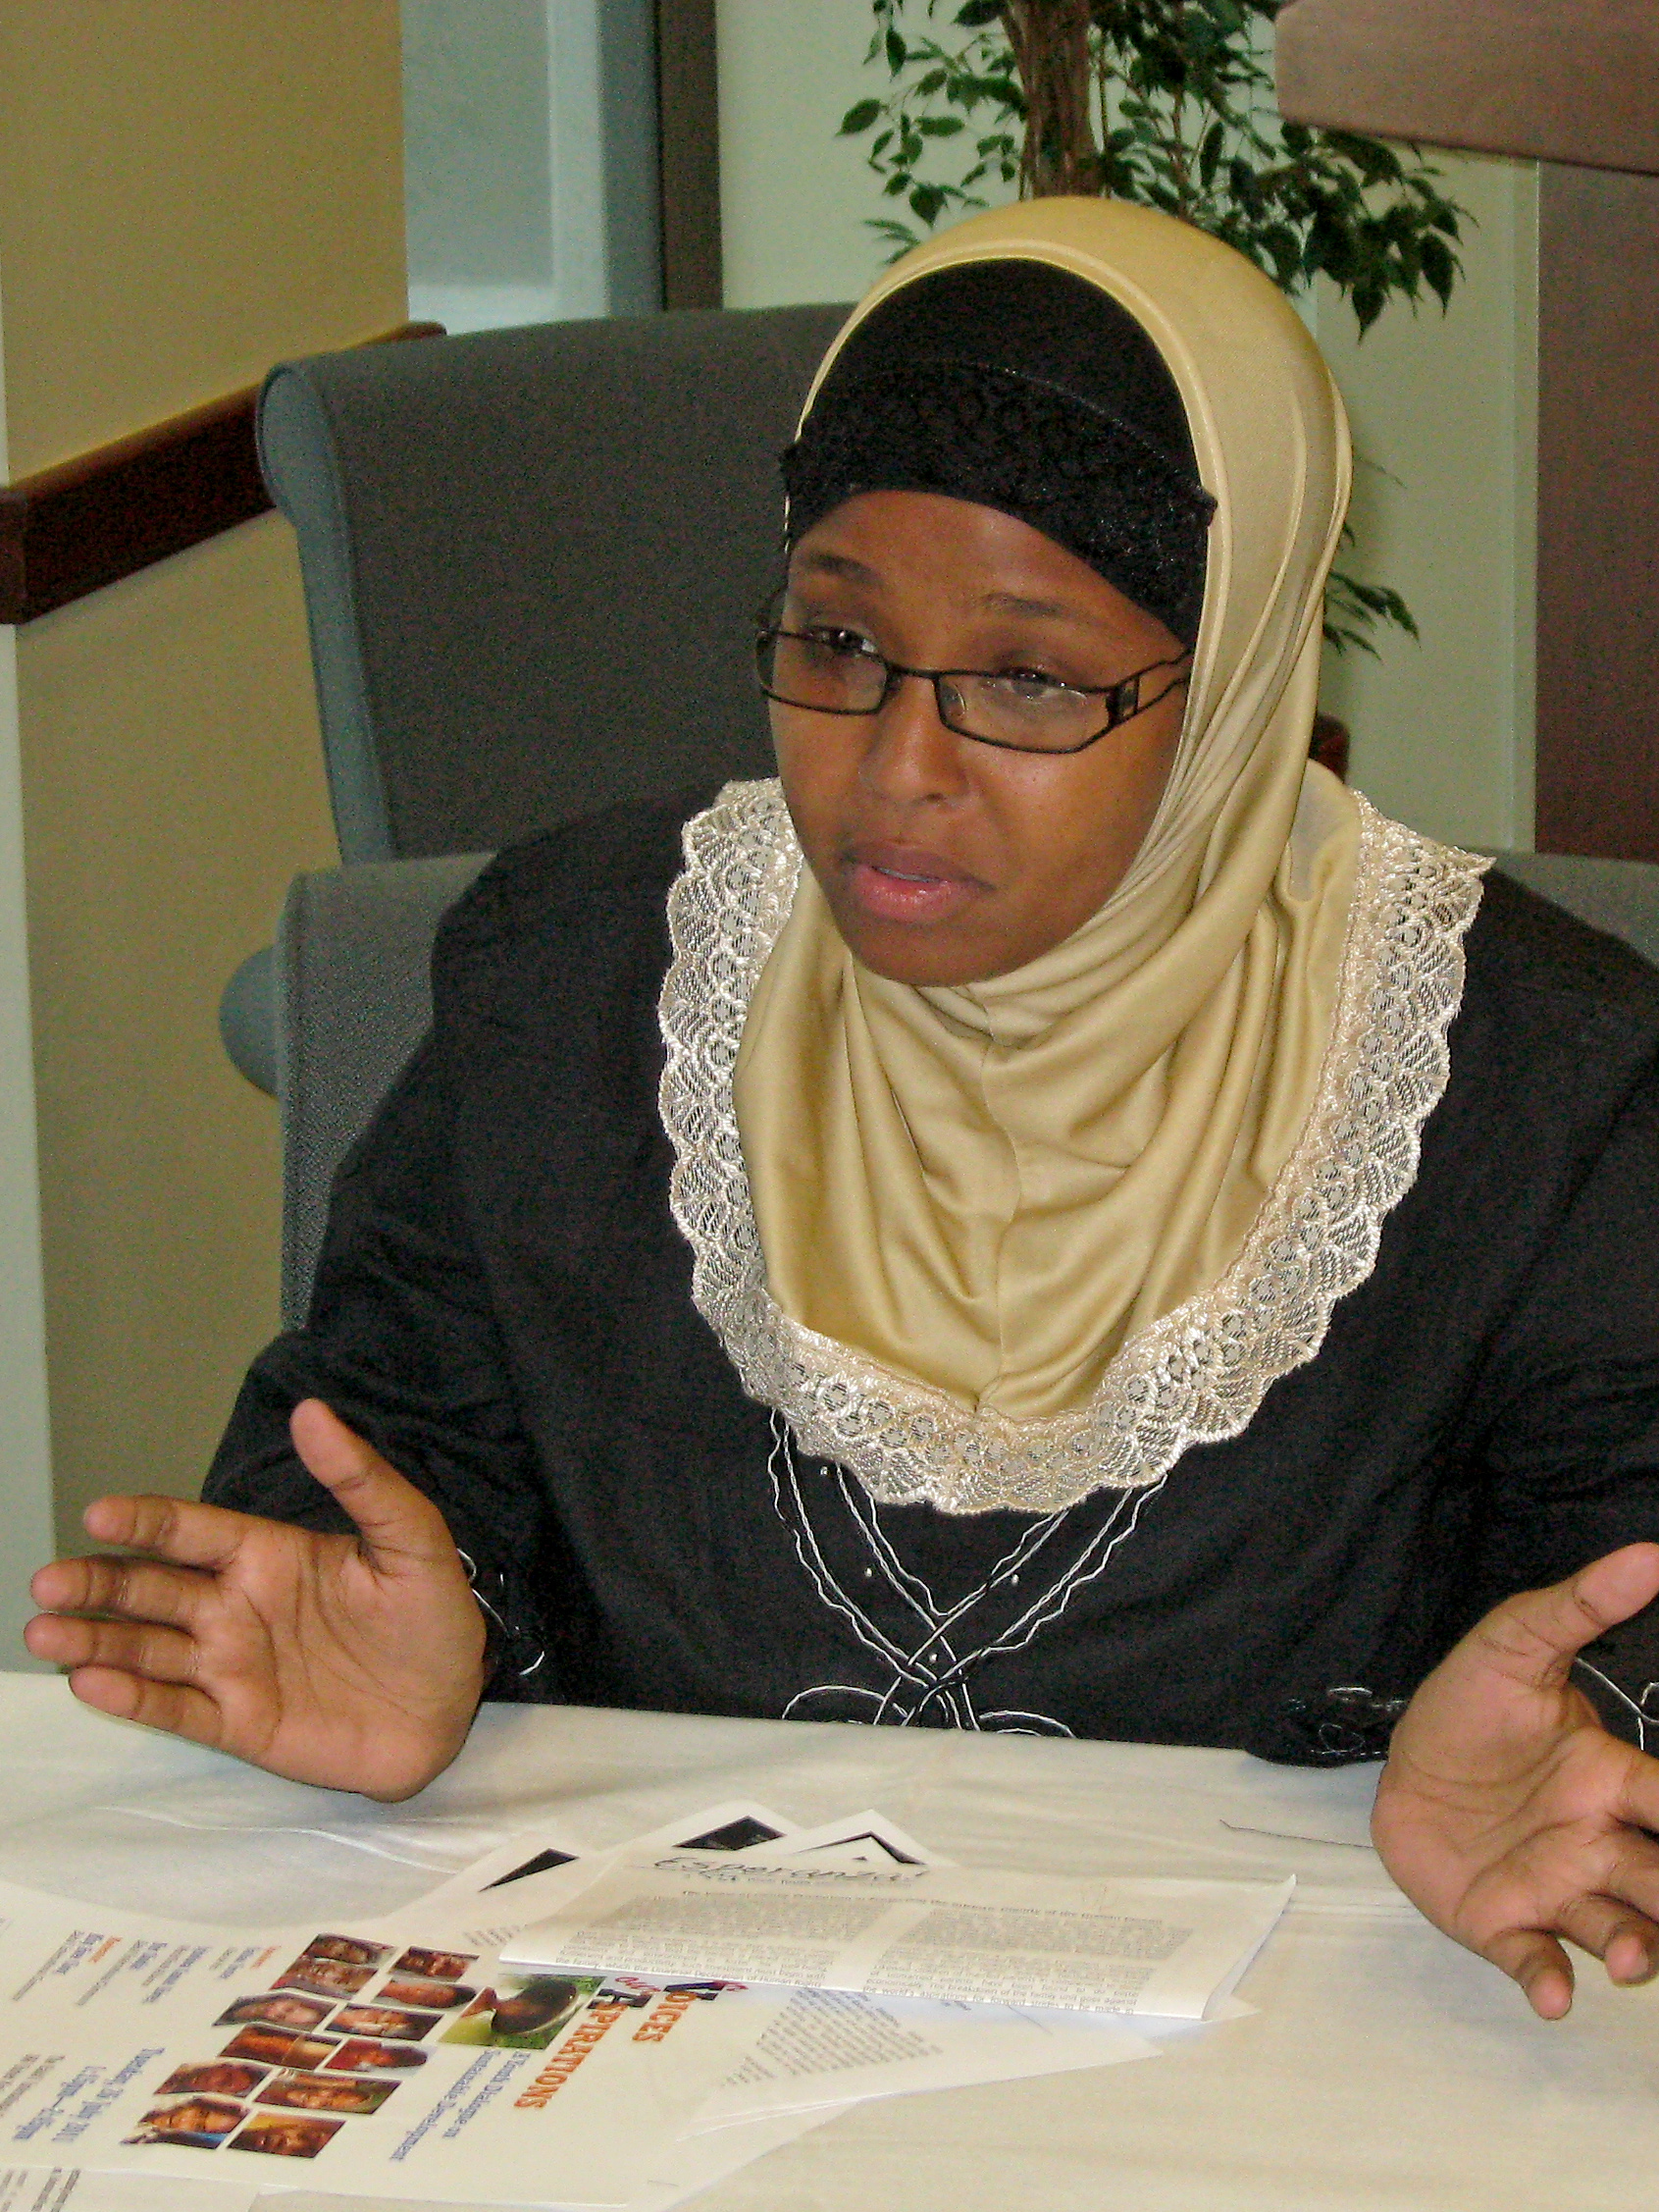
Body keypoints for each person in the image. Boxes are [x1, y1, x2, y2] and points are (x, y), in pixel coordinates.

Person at [26, 199, 1659, 2024]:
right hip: (649, 2045)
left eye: (1026, 678)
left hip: (1284, 2049)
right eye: (837, 642)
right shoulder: (575, 984)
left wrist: (1594, 1728)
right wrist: (407, 1622)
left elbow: (1634, 1546)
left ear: (1235, 686)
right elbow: (377, 1422)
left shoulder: (1533, 1080)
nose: (897, 768)